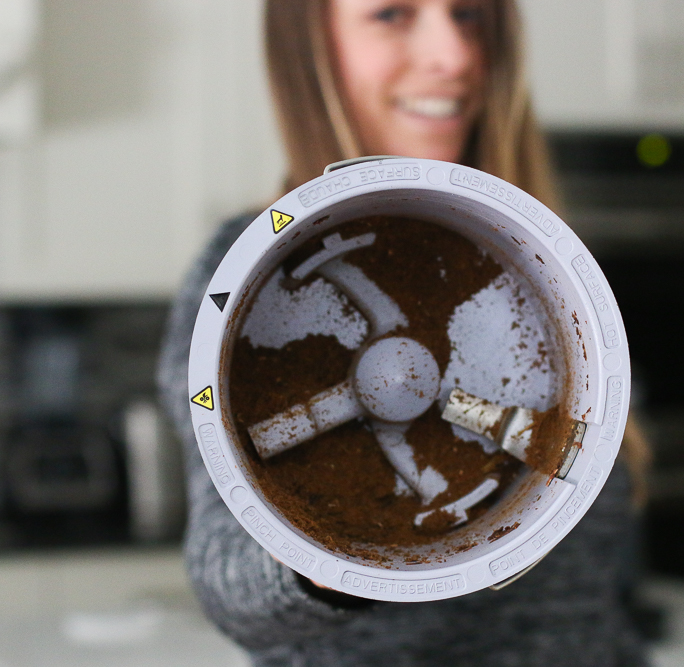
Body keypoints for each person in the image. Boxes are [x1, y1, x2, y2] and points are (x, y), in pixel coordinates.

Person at [158, 1, 650, 664]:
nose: (454, 55)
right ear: (308, 50)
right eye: (393, 14)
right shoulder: (247, 285)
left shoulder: (551, 288)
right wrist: (325, 555)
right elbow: (228, 580)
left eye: (470, 14)